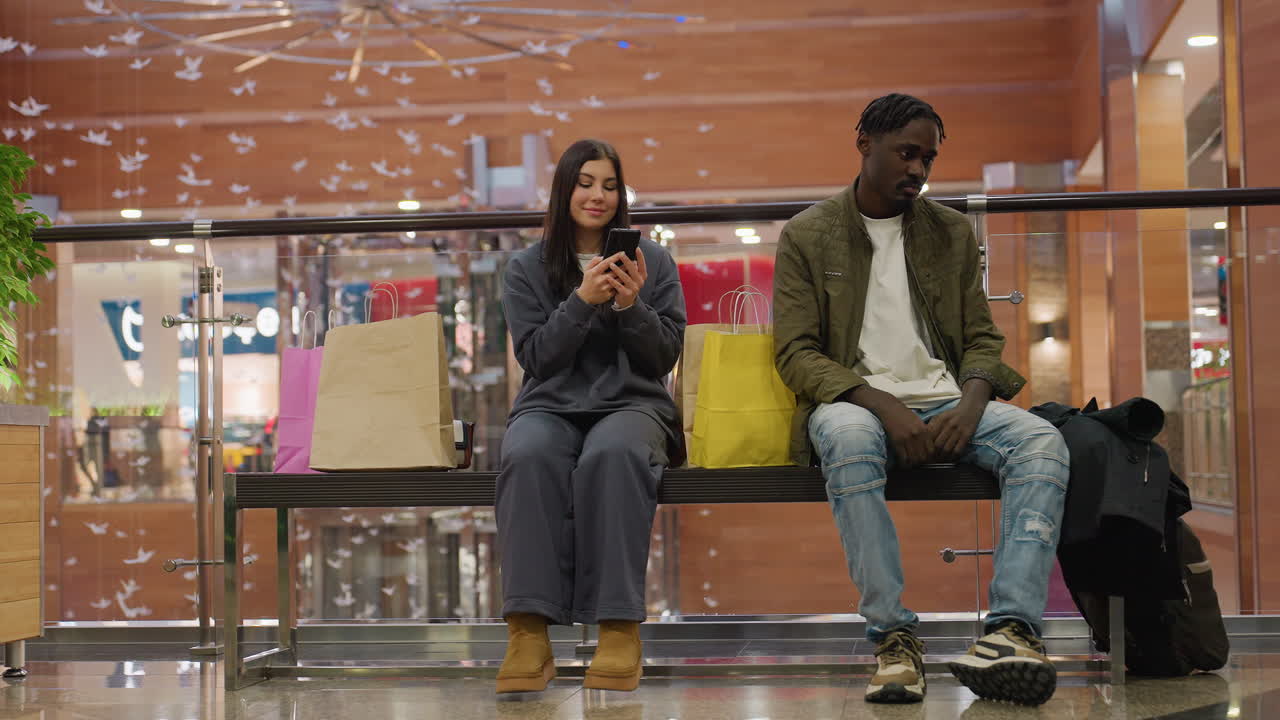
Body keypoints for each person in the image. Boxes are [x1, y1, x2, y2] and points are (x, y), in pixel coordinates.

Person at [772, 94, 1070, 706]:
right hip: (854, 403)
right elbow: (797, 353)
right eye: (906, 153)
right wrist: (883, 405)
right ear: (864, 144)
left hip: (946, 400)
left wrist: (971, 400)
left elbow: (982, 336)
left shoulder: (950, 232)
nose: (918, 170)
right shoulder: (808, 235)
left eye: (928, 158)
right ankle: (892, 638)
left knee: (1042, 440)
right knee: (850, 442)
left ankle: (1011, 630)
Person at [495, 138, 686, 694]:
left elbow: (664, 358)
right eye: (585, 183)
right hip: (550, 405)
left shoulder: (654, 261)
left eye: (609, 185)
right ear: (564, 190)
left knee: (616, 453)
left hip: (633, 404)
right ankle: (527, 630)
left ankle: (619, 626)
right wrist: (581, 300)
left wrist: (630, 306)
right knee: (526, 454)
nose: (597, 196)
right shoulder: (527, 267)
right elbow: (536, 358)